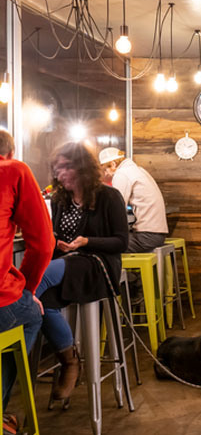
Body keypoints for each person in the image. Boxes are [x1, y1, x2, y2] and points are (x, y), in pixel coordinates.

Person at [36, 142, 128, 404]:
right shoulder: (60, 200)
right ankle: (70, 361)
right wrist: (55, 242)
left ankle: (22, 343)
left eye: (67, 167)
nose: (61, 173)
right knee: (41, 302)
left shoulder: (109, 197)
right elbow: (57, 239)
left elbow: (122, 242)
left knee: (35, 282)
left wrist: (87, 242)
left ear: (83, 168)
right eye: (58, 168)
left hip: (99, 265)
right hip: (69, 264)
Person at [0, 131, 53, 417]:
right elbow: (44, 244)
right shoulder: (14, 170)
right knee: (30, 315)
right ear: (11, 152)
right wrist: (28, 291)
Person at [99, 147, 168, 253]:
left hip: (147, 237)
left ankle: (119, 270)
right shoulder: (138, 170)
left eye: (105, 169)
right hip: (156, 234)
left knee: (101, 247)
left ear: (113, 164)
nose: (106, 174)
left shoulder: (122, 174)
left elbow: (116, 208)